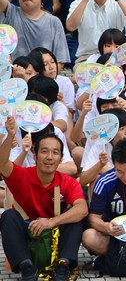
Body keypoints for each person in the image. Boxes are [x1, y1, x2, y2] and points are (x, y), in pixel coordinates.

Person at [0, 117, 88, 281]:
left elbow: (82, 208)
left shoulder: (67, 182)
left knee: (75, 217)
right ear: (34, 155)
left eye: (55, 153)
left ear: (61, 159)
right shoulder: (23, 174)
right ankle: (26, 268)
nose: (49, 157)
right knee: (8, 216)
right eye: (44, 151)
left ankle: (63, 266)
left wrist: (50, 222)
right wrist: (10, 135)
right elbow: (2, 163)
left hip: (55, 237)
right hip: (27, 235)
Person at [0, 0, 70, 63]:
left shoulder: (54, 22)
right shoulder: (10, 12)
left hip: (43, 75)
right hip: (14, 73)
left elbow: (61, 60)